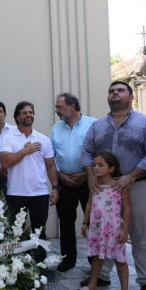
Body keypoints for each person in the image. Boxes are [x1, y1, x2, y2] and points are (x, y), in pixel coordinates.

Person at [81, 81, 146, 290]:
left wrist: (131, 176)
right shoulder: (98, 126)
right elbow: (86, 151)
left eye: (120, 90)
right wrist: (91, 175)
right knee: (104, 231)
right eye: (112, 91)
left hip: (137, 185)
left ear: (131, 97)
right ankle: (102, 277)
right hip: (105, 190)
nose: (115, 93)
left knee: (140, 234)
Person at [0, 101, 59, 260]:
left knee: (39, 232)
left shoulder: (43, 139)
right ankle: (16, 265)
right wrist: (25, 151)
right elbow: (5, 162)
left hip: (39, 193)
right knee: (16, 231)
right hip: (16, 192)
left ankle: (39, 265)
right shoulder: (8, 137)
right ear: (17, 116)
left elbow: (51, 166)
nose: (28, 115)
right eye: (24, 112)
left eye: (31, 112)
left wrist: (55, 187)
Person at [78, 152, 133, 290]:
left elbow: (127, 209)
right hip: (97, 229)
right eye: (94, 164)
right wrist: (85, 222)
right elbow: (89, 204)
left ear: (111, 168)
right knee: (96, 257)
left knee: (120, 260)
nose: (95, 168)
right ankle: (93, 285)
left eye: (100, 165)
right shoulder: (95, 185)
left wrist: (125, 230)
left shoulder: (120, 186)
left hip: (114, 230)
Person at [50, 93, 96, 272]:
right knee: (66, 221)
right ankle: (68, 259)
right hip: (65, 181)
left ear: (73, 106)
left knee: (92, 220)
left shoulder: (93, 124)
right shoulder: (56, 128)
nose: (56, 110)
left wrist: (87, 175)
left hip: (88, 182)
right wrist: (61, 176)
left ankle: (95, 261)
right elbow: (51, 156)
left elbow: (99, 153)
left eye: (59, 107)